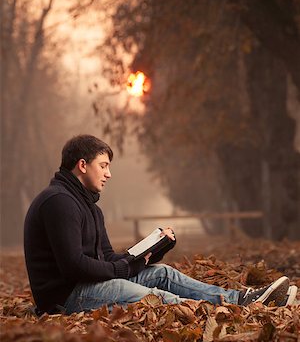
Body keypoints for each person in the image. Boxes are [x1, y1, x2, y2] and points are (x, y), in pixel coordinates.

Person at [24, 135, 296, 316]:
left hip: (87, 283)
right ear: (82, 165)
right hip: (66, 297)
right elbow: (73, 266)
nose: (109, 173)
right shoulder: (58, 202)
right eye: (103, 165)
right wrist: (122, 269)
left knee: (163, 273)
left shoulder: (88, 205)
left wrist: (149, 253)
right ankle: (227, 315)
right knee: (149, 294)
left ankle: (241, 300)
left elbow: (107, 259)